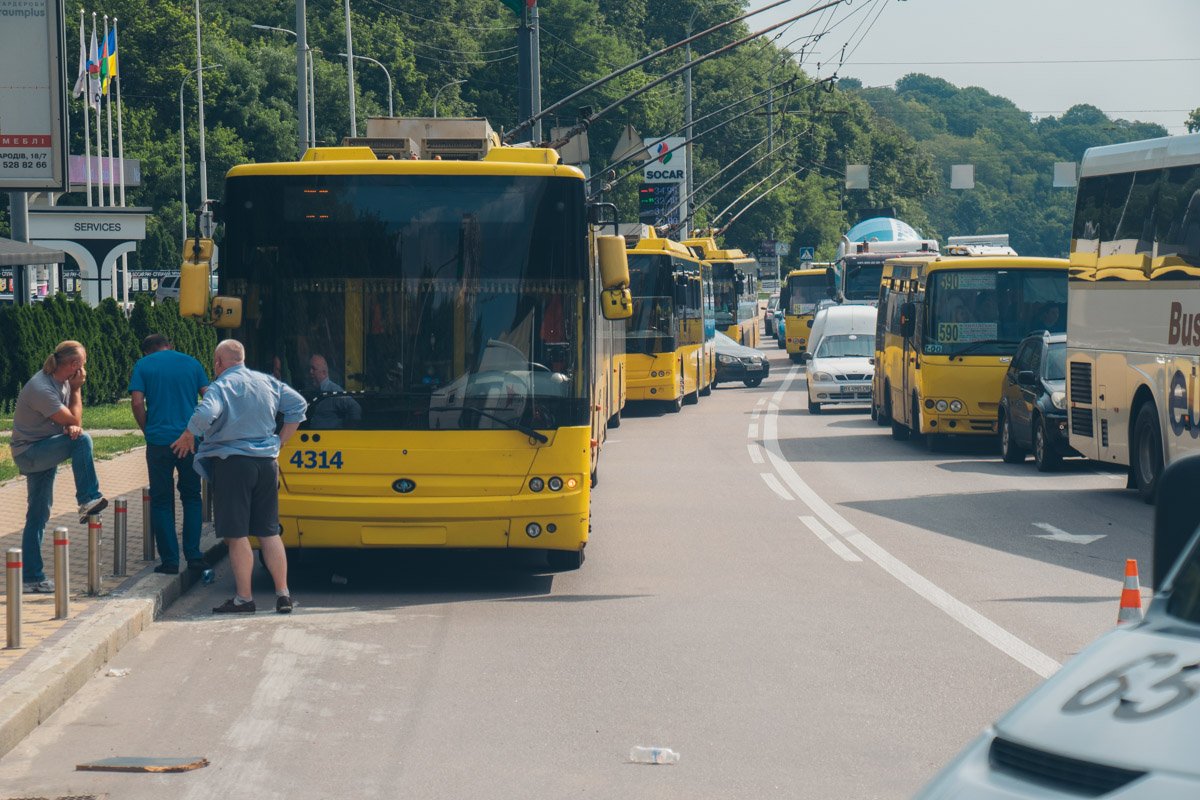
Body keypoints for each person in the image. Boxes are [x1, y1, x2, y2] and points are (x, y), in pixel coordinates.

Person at [170, 340, 307, 614]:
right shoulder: (266, 381)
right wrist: (280, 442)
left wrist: (189, 433)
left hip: (233, 463)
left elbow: (207, 412)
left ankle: (244, 598)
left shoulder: (221, 386)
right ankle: (283, 595)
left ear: (219, 362)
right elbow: (299, 406)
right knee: (269, 531)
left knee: (237, 533)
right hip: (267, 463)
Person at [10, 341, 108, 593]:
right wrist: (76, 391)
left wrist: (70, 425)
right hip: (31, 453)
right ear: (74, 365)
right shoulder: (42, 387)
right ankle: (87, 498)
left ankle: (31, 578)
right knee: (83, 441)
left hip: (44, 448)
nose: (85, 368)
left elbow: (70, 423)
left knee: (38, 514)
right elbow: (75, 420)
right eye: (83, 362)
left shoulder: (61, 381)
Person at [129, 333, 209, 574]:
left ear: (147, 351)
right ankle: (194, 556)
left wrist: (147, 429)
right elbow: (209, 396)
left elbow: (136, 402)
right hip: (190, 441)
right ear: (169, 346)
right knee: (192, 497)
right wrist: (198, 430)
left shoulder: (143, 365)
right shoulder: (192, 362)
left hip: (159, 442)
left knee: (162, 501)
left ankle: (170, 561)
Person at [306, 354, 362, 429]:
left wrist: (349, 431)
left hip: (330, 439)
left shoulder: (334, 391)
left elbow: (355, 408)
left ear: (324, 372)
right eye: (309, 368)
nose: (310, 372)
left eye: (314, 369)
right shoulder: (311, 391)